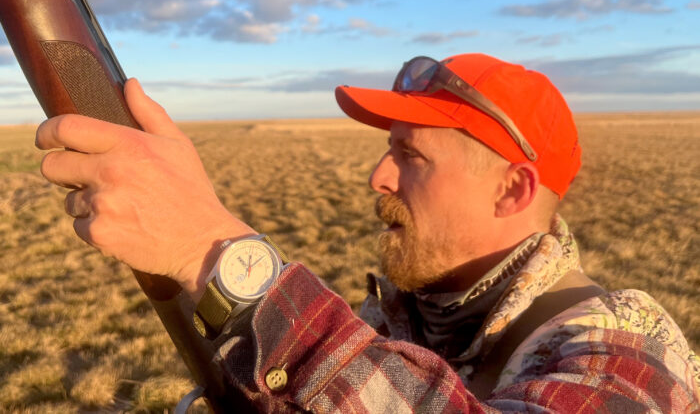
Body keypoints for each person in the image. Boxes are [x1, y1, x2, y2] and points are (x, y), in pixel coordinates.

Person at [35, 53, 699, 412]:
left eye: (411, 156)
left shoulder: (627, 351)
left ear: (513, 188)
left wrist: (215, 255)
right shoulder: (399, 321)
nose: (377, 176)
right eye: (388, 149)